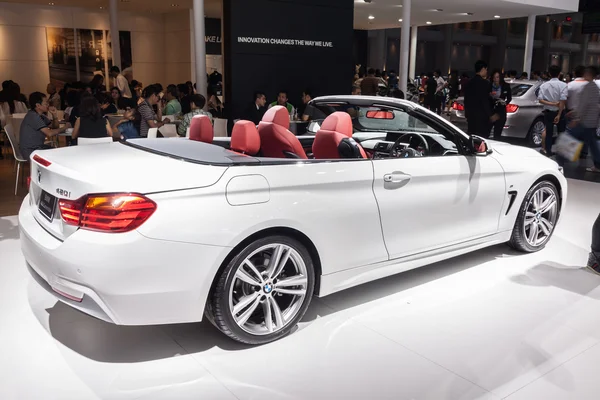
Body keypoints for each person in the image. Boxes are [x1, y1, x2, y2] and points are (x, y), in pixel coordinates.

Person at [564, 66, 600, 173]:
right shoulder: (593, 87)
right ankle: (597, 165)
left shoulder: (589, 87)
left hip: (583, 120)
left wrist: (576, 117)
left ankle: (560, 161)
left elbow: (584, 105)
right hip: (591, 120)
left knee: (569, 138)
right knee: (593, 144)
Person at [19, 92, 65, 160]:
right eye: (46, 103)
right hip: (30, 151)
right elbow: (49, 133)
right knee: (58, 155)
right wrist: (65, 127)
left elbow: (55, 127)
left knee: (59, 152)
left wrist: (54, 115)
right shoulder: (33, 116)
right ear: (38, 105)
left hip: (38, 148)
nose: (48, 105)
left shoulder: (41, 116)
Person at [538, 65, 567, 155]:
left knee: (549, 133)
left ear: (549, 73)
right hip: (560, 112)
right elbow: (563, 100)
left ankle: (548, 152)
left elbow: (540, 100)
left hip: (548, 112)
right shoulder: (564, 85)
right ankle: (561, 153)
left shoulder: (544, 85)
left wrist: (552, 104)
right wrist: (558, 114)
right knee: (561, 133)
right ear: (559, 74)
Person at [464, 60, 496, 138]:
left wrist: (467, 114)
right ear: (483, 69)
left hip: (471, 116)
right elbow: (485, 101)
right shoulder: (485, 83)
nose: (486, 71)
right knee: (482, 139)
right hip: (482, 117)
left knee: (472, 138)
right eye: (486, 69)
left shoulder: (469, 83)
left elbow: (466, 100)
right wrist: (490, 115)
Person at [490, 70, 512, 139]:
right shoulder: (489, 86)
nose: (495, 79)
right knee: (486, 131)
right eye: (494, 77)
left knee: (497, 134)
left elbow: (509, 98)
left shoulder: (506, 86)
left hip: (501, 111)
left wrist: (505, 102)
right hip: (491, 111)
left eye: (497, 77)